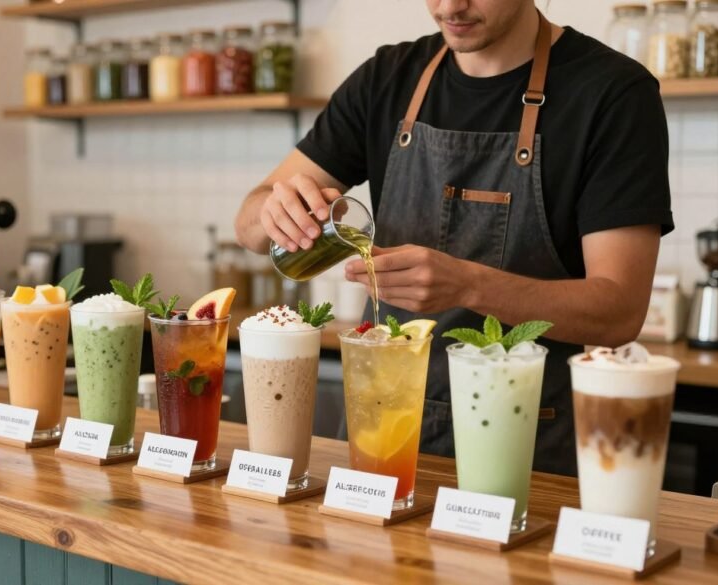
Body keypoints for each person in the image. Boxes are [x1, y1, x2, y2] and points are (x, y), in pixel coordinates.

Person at [233, 0, 673, 475]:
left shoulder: (612, 92)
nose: (450, 6)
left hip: (526, 450)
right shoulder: (387, 78)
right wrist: (276, 211)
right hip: (381, 436)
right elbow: (250, 228)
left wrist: (470, 287)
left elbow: (620, 310)